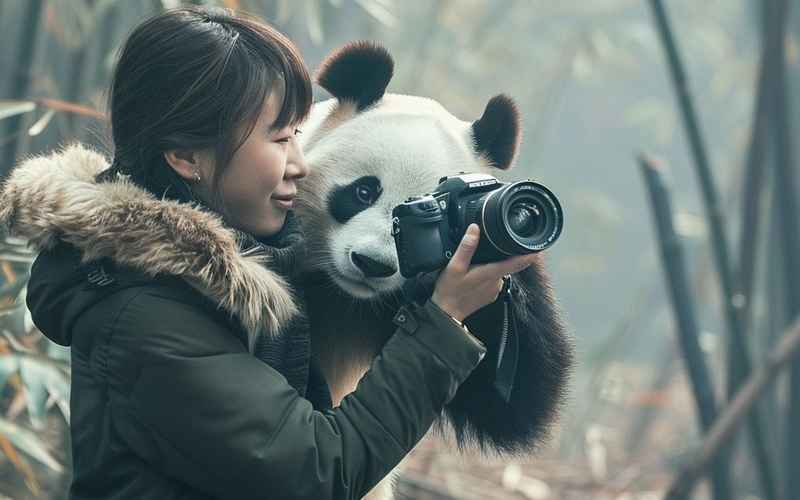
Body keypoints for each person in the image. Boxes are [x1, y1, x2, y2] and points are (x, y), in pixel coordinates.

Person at [0, 6, 541, 500]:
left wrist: (494, 253)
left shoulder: (244, 251)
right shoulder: (147, 310)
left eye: (298, 136)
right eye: (281, 139)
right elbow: (315, 472)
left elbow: (509, 416)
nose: (300, 162)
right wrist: (443, 318)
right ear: (188, 156)